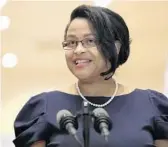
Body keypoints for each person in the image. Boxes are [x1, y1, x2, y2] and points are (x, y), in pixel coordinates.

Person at [13, 4, 168, 147]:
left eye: (90, 41)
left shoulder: (151, 106)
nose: (78, 50)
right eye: (71, 42)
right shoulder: (44, 107)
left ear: (116, 47)